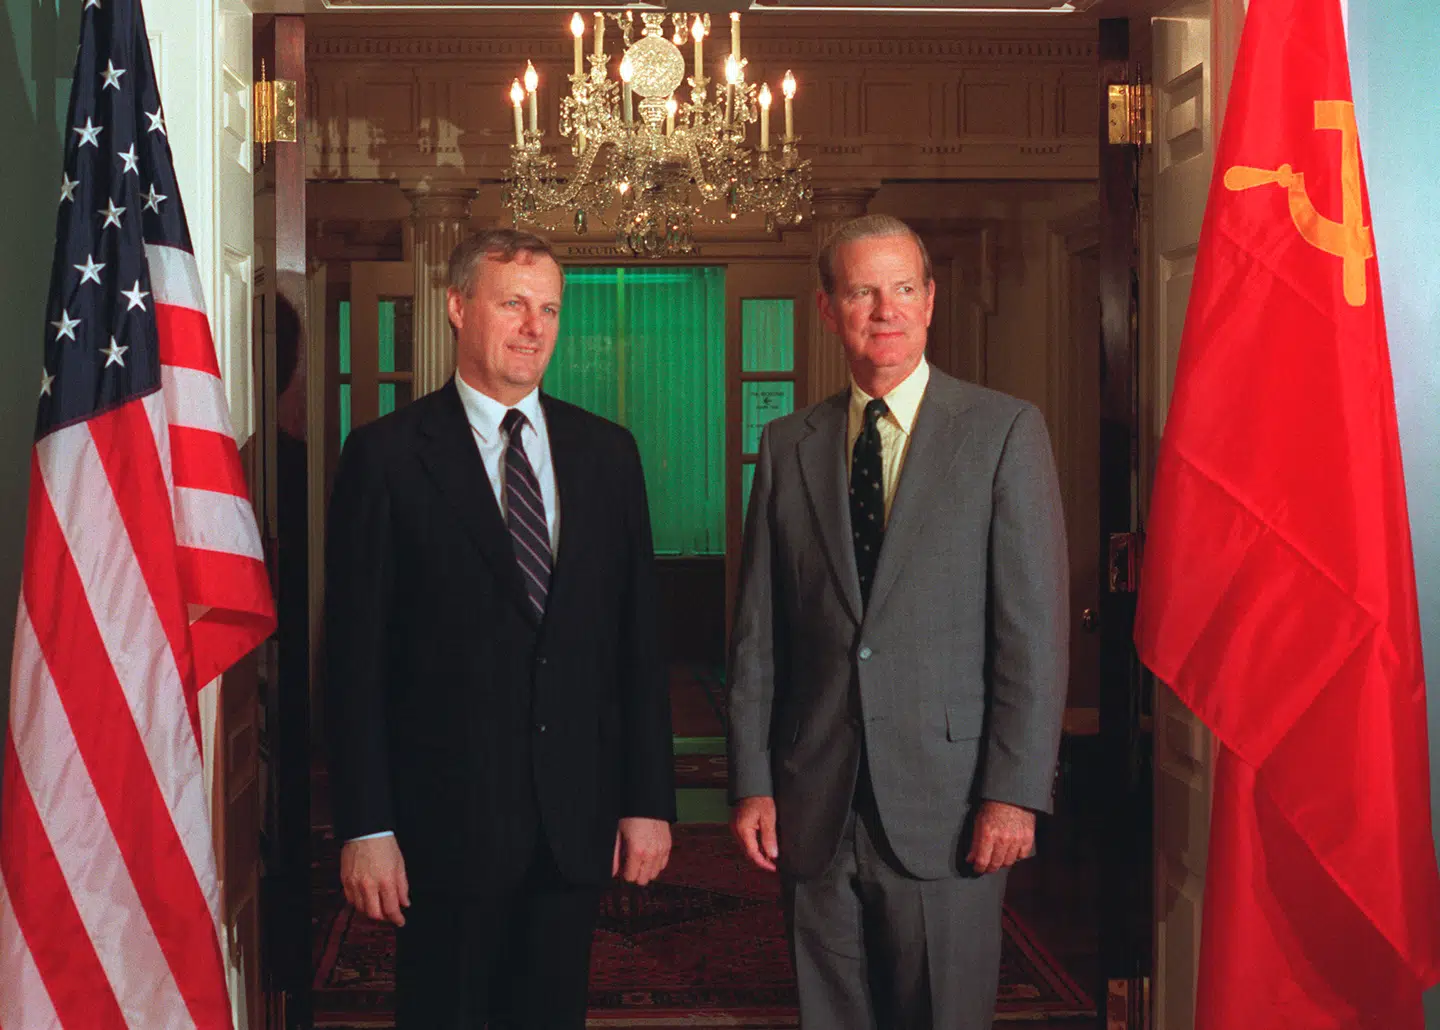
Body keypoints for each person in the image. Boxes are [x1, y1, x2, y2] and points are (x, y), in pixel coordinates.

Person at [324, 228, 675, 1029]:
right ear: (456, 307)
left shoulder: (607, 454)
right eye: (512, 303)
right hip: (440, 830)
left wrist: (648, 800)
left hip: (573, 826)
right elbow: (352, 661)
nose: (534, 327)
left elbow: (638, 647)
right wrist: (366, 825)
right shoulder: (384, 457)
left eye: (548, 308)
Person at [727, 214, 1068, 1029]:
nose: (887, 309)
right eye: (863, 291)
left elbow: (1033, 635)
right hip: (814, 801)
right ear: (828, 309)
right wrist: (751, 782)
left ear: (931, 300)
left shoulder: (1003, 433)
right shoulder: (787, 445)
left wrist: (1013, 794)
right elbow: (758, 636)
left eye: (904, 289)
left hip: (948, 806)